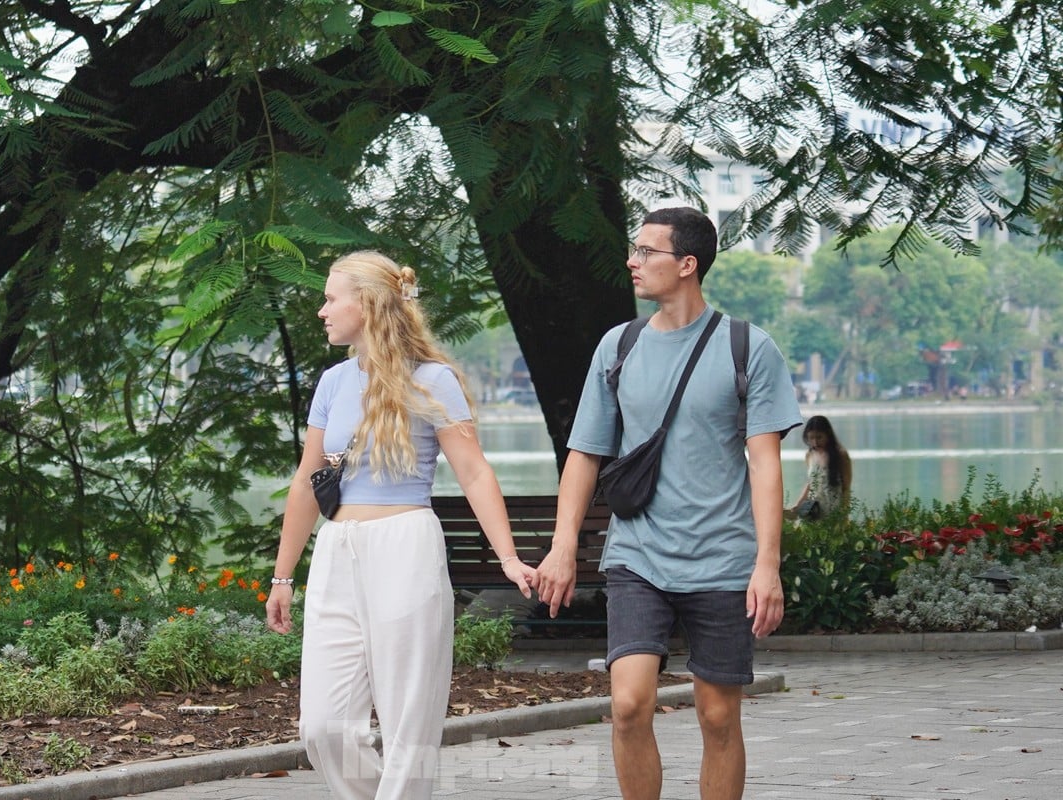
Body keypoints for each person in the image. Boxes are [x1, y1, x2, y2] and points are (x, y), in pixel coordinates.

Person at [535, 207, 803, 800]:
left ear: (687, 264)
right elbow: (585, 453)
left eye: (646, 252)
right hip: (639, 553)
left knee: (717, 717)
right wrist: (561, 549)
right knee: (628, 704)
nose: (632, 262)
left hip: (723, 559)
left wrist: (767, 564)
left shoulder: (747, 347)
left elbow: (764, 463)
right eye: (634, 249)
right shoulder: (619, 346)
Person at [265, 251, 536, 800]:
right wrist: (282, 576)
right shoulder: (334, 382)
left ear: (365, 304)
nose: (322, 310)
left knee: (408, 722)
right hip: (338, 547)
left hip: (404, 547)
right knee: (323, 727)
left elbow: (475, 472)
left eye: (331, 297)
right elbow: (304, 482)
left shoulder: (433, 379)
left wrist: (507, 557)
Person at [787, 415, 852, 519]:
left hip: (834, 509)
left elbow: (846, 488)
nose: (815, 442)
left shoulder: (841, 455)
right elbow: (810, 483)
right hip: (813, 509)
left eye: (819, 437)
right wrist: (798, 504)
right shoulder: (809, 455)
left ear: (828, 435)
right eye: (811, 438)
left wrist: (844, 515)